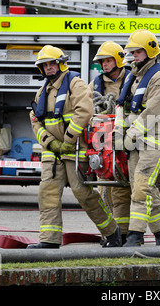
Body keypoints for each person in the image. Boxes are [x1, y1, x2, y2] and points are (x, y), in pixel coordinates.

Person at [28, 45, 121, 248]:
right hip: (53, 153)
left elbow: (84, 111)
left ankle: (113, 233)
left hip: (76, 149)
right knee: (47, 193)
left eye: (52, 63)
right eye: (45, 65)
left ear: (61, 63)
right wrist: (51, 143)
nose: (49, 68)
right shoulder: (42, 91)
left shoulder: (75, 84)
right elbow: (35, 120)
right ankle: (49, 241)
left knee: (83, 194)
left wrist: (67, 141)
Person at [114, 29, 160, 247]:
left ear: (149, 51)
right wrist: (118, 134)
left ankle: (135, 236)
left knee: (140, 187)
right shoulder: (133, 75)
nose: (133, 55)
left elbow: (151, 113)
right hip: (135, 141)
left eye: (138, 51)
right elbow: (122, 106)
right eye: (132, 51)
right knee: (143, 188)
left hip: (155, 140)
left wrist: (128, 135)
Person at [89, 41, 132, 244]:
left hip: (127, 141)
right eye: (102, 61)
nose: (104, 64)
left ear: (118, 60)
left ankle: (126, 233)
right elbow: (85, 107)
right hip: (104, 144)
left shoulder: (133, 80)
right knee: (104, 190)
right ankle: (111, 234)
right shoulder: (96, 85)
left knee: (125, 190)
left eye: (108, 60)